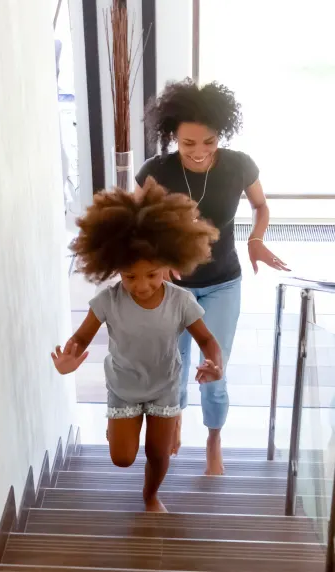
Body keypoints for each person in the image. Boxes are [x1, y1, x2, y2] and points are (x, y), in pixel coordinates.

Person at [135, 79, 290, 475]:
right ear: (173, 138)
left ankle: (214, 438)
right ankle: (177, 419)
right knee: (175, 365)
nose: (200, 151)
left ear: (221, 133)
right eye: (188, 144)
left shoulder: (239, 165)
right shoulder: (156, 171)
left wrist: (256, 239)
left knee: (213, 369)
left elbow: (260, 206)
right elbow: (134, 222)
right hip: (171, 289)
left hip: (223, 281)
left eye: (209, 141)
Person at [51, 178, 223, 512]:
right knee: (122, 459)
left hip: (164, 387)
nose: (141, 285)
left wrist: (214, 363)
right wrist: (69, 356)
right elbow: (82, 337)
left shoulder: (181, 301)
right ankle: (117, 432)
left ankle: (150, 496)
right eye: (130, 277)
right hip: (124, 387)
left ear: (168, 266)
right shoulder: (108, 301)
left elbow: (206, 339)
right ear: (114, 268)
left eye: (152, 275)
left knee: (159, 454)